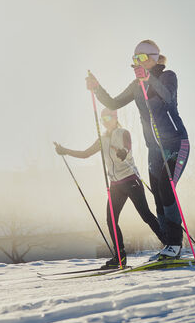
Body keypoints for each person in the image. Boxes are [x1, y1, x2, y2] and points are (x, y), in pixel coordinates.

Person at [86, 39, 192, 261]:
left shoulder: (167, 76)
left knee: (166, 187)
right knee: (158, 196)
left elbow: (168, 98)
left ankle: (175, 243)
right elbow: (113, 103)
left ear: (153, 58)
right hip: (154, 149)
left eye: (141, 58)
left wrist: (149, 78)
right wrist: (97, 89)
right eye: (134, 60)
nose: (137, 64)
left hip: (175, 143)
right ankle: (168, 246)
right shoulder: (136, 87)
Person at [54, 108, 162, 268]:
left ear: (115, 117)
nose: (106, 121)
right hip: (116, 184)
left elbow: (128, 147)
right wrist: (65, 151)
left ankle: (169, 245)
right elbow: (85, 154)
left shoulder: (123, 132)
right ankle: (120, 257)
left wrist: (124, 153)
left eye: (109, 117)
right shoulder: (102, 139)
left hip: (131, 180)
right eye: (103, 118)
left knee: (145, 215)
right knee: (111, 220)